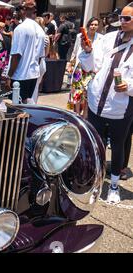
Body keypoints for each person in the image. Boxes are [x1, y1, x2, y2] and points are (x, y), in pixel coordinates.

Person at [79, 3, 133, 203]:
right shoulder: (108, 38)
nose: (122, 22)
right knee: (96, 143)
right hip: (96, 102)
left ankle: (114, 185)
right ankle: (95, 179)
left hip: (120, 107)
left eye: (127, 19)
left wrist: (128, 86)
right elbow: (92, 66)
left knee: (117, 147)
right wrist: (87, 52)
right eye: (122, 17)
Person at [5, 0, 46, 103]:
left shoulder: (20, 29)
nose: (16, 12)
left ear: (24, 10)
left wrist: (9, 76)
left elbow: (16, 55)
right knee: (26, 105)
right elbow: (41, 56)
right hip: (33, 74)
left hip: (20, 75)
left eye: (18, 9)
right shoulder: (40, 30)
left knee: (17, 108)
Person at [68, 17, 104, 117]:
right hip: (79, 67)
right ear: (88, 25)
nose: (93, 26)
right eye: (92, 24)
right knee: (77, 90)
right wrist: (71, 63)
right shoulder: (80, 36)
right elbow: (75, 51)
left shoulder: (101, 38)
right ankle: (76, 113)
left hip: (92, 69)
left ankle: (86, 114)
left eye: (96, 25)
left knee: (88, 92)